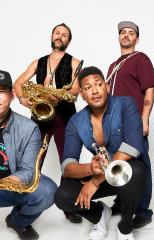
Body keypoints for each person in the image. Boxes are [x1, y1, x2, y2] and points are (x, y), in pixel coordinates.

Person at [54, 66, 146, 240]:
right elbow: (67, 166)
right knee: (62, 196)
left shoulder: (126, 104)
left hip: (123, 172)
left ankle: (125, 226)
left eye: (98, 84)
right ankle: (100, 214)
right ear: (81, 94)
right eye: (88, 88)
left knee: (137, 172)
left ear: (107, 86)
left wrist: (96, 181)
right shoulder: (75, 121)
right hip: (100, 171)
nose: (94, 91)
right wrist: (90, 169)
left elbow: (133, 146)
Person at [13, 23, 82, 223]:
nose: (60, 36)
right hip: (41, 117)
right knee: (33, 162)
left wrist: (58, 97)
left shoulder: (75, 62)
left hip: (65, 118)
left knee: (68, 162)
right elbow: (18, 83)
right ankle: (25, 203)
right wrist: (23, 99)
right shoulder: (38, 62)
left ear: (69, 40)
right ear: (52, 36)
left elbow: (76, 90)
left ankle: (68, 205)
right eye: (57, 33)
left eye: (64, 34)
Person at [106, 20, 154, 228]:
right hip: (113, 125)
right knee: (117, 163)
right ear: (119, 37)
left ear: (136, 38)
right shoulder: (112, 66)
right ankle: (122, 201)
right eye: (123, 32)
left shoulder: (140, 58)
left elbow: (150, 89)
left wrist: (145, 118)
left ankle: (144, 210)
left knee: (141, 165)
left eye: (131, 33)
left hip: (133, 123)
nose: (126, 35)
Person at [0, 70, 57, 240]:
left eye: (1, 91)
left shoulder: (29, 128)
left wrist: (12, 180)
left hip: (11, 187)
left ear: (12, 95)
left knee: (47, 191)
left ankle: (17, 221)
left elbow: (27, 170)